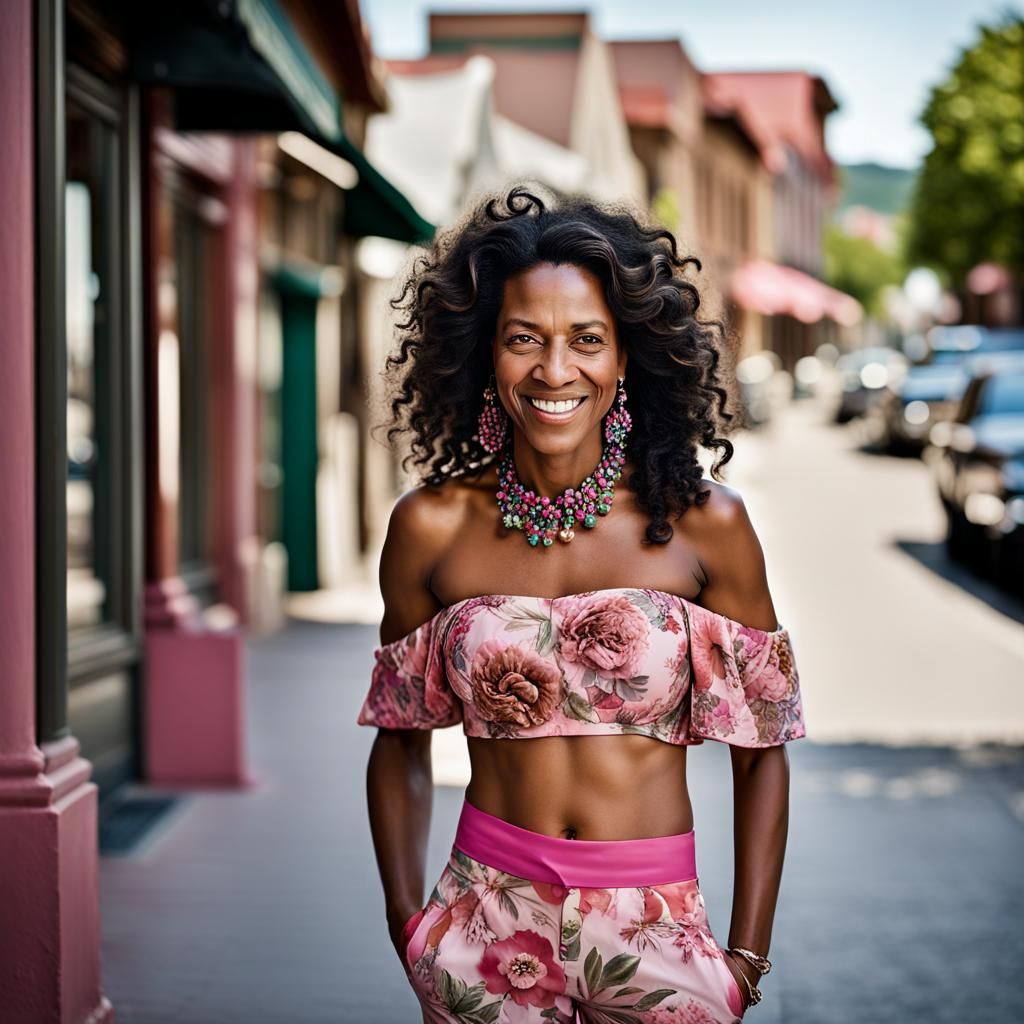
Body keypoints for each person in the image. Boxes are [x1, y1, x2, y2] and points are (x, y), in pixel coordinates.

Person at [357, 185, 807, 1024]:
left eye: (587, 340)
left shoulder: (706, 525)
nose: (555, 370)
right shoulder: (430, 527)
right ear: (487, 353)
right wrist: (408, 925)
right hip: (481, 924)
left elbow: (762, 750)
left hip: (657, 932)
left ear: (626, 356)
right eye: (524, 338)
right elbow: (399, 736)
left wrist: (744, 961)